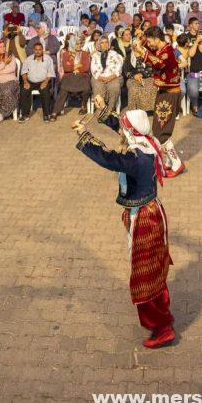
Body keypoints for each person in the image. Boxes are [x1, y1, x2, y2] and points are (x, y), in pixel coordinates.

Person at [73, 97, 175, 349]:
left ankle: (162, 328)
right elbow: (123, 129)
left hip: (144, 219)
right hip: (150, 213)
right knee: (154, 271)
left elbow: (109, 158)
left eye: (125, 126)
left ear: (132, 130)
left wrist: (84, 134)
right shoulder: (147, 143)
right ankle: (163, 321)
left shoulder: (136, 158)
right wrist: (101, 109)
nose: (123, 129)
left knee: (143, 276)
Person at [141, 27, 185, 177]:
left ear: (156, 39)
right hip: (165, 92)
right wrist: (141, 41)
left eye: (150, 41)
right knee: (159, 127)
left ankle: (177, 163)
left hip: (170, 94)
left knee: (161, 131)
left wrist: (143, 53)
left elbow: (159, 64)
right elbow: (150, 52)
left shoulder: (167, 52)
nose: (149, 44)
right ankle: (169, 161)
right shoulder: (161, 49)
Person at [19, 43, 55, 123]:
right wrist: (25, 82)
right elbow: (24, 72)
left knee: (45, 91)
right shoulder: (29, 59)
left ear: (42, 50)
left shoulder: (48, 59)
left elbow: (51, 73)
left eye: (40, 49)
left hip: (43, 81)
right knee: (24, 91)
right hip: (31, 81)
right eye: (36, 50)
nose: (38, 51)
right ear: (33, 50)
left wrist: (45, 82)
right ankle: (25, 115)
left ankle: (46, 114)